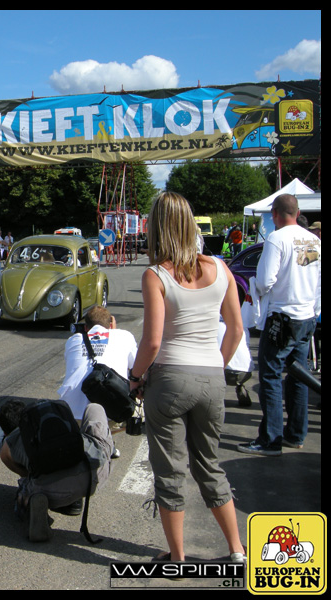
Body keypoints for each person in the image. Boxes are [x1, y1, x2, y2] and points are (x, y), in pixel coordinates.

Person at [129, 191, 246, 564]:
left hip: (170, 379)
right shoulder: (221, 269)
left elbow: (152, 342)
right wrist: (215, 366)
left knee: (170, 471)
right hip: (211, 378)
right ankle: (236, 549)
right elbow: (236, 330)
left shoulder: (156, 274)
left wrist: (135, 377)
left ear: (156, 229)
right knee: (209, 465)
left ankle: (177, 558)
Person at [238, 194, 321, 456]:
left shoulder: (276, 239)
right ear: (297, 212)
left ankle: (270, 439)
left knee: (271, 376)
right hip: (306, 315)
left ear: (275, 214)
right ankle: (295, 434)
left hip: (282, 316)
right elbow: (317, 279)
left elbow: (264, 281)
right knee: (298, 376)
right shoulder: (312, 240)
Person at [0, 399, 114, 542]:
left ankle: (34, 502)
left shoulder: (9, 443)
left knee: (27, 487)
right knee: (94, 407)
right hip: (93, 474)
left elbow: (16, 465)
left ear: (5, 432)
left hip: (52, 491)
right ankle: (74, 499)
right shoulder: (59, 416)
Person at [57, 306, 138, 426]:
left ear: (85, 327)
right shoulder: (125, 336)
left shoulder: (73, 340)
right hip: (110, 412)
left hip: (72, 411)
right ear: (111, 325)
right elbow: (135, 368)